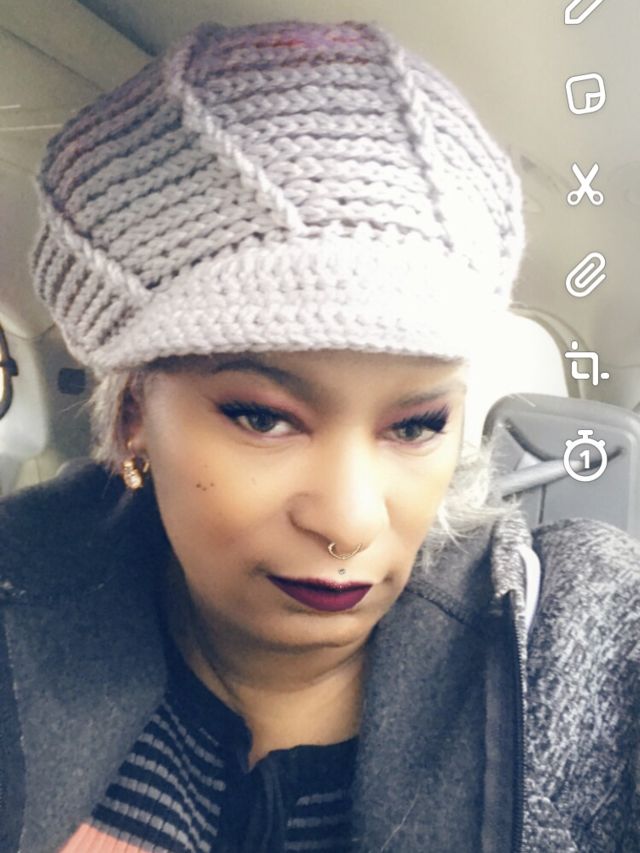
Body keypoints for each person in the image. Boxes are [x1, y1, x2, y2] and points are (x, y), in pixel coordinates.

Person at [0, 18, 638, 853]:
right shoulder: (21, 587)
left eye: (417, 424)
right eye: (263, 416)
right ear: (131, 418)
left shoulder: (572, 637)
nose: (350, 522)